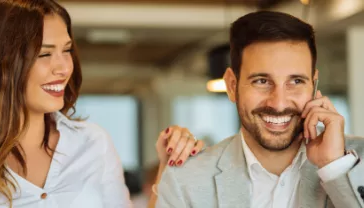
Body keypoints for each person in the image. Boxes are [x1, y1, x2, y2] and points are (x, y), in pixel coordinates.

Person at [0, 0, 204, 207]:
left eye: (66, 50)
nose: (64, 68)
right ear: (4, 61)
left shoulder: (93, 142)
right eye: (45, 53)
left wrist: (166, 170)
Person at [156, 11, 364, 208]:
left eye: (296, 81)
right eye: (262, 81)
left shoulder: (358, 162)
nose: (279, 103)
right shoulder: (186, 181)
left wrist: (335, 168)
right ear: (231, 85)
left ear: (314, 84)